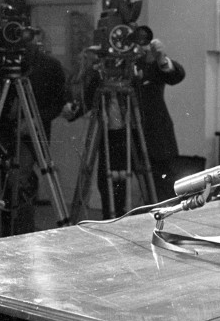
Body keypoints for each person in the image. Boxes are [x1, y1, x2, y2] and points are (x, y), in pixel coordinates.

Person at [78, 29, 185, 218]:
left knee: (162, 197)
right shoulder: (102, 68)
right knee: (114, 196)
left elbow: (176, 75)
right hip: (116, 139)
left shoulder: (148, 61)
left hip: (152, 138)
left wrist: (161, 59)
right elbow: (89, 100)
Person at [0, 40, 68, 235]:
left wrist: (34, 120)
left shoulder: (48, 66)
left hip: (30, 137)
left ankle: (23, 234)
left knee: (20, 182)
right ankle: (7, 231)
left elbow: (57, 102)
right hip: (1, 134)